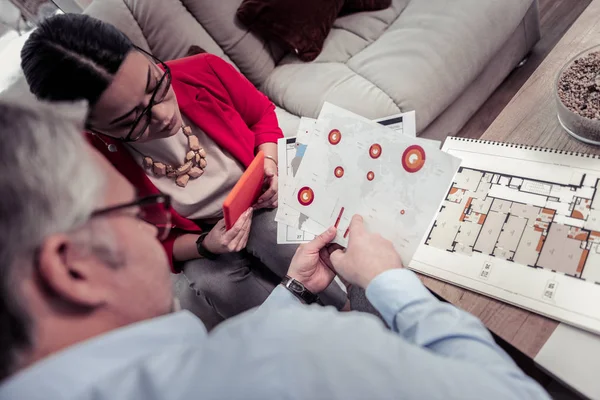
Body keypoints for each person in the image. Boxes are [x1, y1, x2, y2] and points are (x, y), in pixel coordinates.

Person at [0, 96, 550, 400]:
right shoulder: (294, 357)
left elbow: (262, 116)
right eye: (139, 213)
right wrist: (389, 281)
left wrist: (291, 293)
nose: (154, 230)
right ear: (71, 269)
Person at [20, 13, 348, 319]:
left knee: (277, 236)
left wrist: (271, 163)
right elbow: (142, 241)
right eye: (131, 120)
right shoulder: (92, 164)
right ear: (93, 127)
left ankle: (344, 309)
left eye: (156, 86)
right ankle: (282, 339)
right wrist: (205, 245)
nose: (164, 116)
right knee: (217, 284)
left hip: (254, 200)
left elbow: (262, 115)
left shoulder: (203, 70)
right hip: (194, 235)